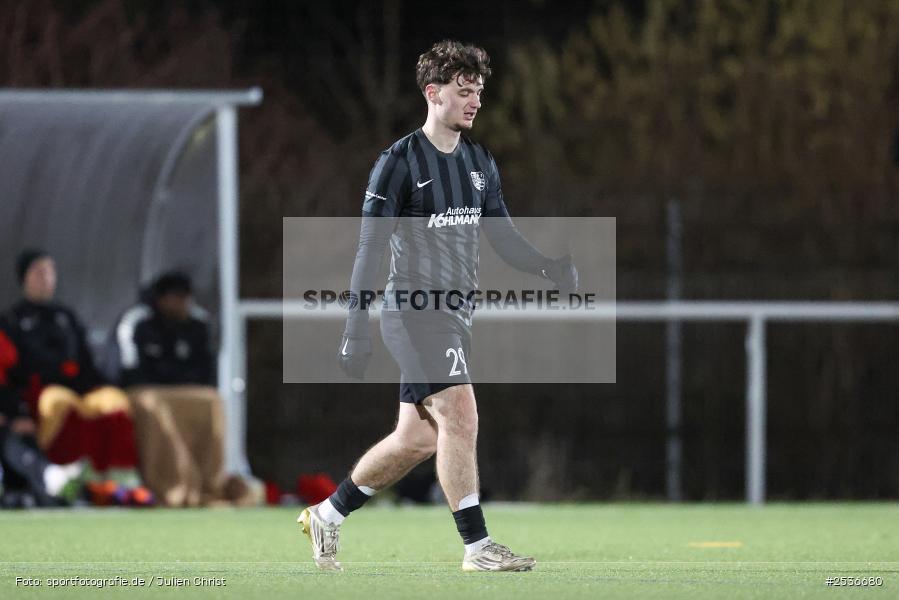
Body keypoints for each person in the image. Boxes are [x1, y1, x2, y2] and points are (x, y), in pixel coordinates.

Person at [298, 40, 577, 572]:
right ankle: (477, 547)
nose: (475, 100)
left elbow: (504, 237)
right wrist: (354, 328)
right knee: (461, 414)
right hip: (412, 310)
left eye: (479, 91)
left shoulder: (479, 161)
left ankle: (327, 516)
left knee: (417, 438)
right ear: (433, 93)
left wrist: (549, 266)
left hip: (454, 315)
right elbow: (369, 248)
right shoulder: (397, 163)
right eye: (463, 90)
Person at [110, 272, 247, 507]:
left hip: (185, 390)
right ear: (161, 299)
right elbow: (128, 369)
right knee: (152, 403)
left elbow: (205, 371)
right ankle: (171, 484)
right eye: (176, 297)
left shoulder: (198, 324)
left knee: (212, 400)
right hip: (145, 390)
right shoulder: (137, 322)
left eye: (185, 297)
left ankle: (210, 483)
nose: (182, 303)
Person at [0, 250, 140, 478]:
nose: (45, 278)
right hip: (39, 394)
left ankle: (119, 478)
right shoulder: (12, 321)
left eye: (49, 272)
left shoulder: (66, 317)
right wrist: (15, 412)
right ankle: (67, 476)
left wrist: (103, 385)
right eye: (38, 272)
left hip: (78, 389)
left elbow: (86, 361)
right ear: (24, 278)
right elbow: (8, 374)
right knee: (59, 402)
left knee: (115, 402)